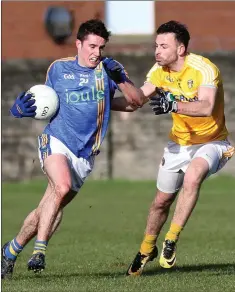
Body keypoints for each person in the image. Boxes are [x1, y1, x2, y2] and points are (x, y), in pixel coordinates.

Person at [1, 19, 144, 279]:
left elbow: (135, 102)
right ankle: (39, 251)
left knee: (50, 206)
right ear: (78, 44)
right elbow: (45, 103)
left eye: (101, 47)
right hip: (56, 140)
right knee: (62, 187)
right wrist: (21, 110)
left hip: (85, 155)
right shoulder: (58, 69)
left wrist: (121, 79)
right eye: (91, 46)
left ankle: (9, 252)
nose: (96, 53)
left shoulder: (109, 70)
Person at [123, 20, 234, 276]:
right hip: (179, 144)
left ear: (181, 48)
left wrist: (173, 106)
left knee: (194, 176)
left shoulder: (204, 69)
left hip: (213, 141)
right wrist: (102, 103)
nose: (157, 51)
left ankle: (171, 239)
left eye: (163, 46)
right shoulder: (159, 70)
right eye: (156, 45)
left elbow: (206, 106)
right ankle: (146, 249)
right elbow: (136, 101)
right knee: (161, 202)